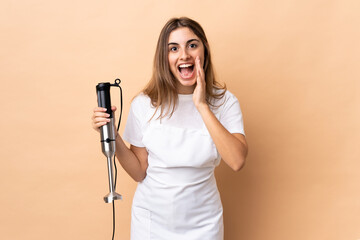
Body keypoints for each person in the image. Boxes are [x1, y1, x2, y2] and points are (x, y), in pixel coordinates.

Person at [92, 17, 248, 240]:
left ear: (204, 52)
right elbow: (139, 171)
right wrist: (112, 135)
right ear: (164, 58)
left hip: (204, 223)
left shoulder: (225, 102)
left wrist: (202, 105)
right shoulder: (144, 103)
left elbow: (237, 160)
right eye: (173, 48)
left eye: (192, 45)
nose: (184, 55)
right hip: (152, 223)